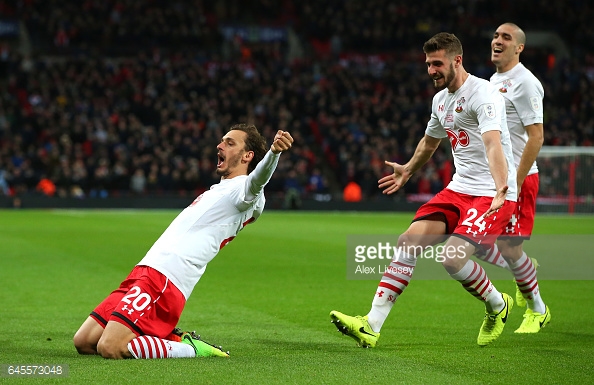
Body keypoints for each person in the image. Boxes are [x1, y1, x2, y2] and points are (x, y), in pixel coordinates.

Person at [330, 32, 518, 347]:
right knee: (408, 241)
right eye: (428, 64)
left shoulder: (483, 94)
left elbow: (493, 144)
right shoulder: (440, 100)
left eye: (437, 63)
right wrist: (408, 169)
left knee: (451, 258)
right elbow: (430, 142)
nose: (431, 70)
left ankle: (498, 305)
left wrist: (501, 186)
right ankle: (371, 325)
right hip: (459, 190)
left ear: (457, 60)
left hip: (493, 194)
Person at [73, 124, 294, 359]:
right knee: (84, 341)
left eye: (230, 143)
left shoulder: (244, 194)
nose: (220, 146)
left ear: (248, 156)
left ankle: (189, 347)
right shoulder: (218, 190)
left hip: (166, 279)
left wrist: (274, 153)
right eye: (222, 141)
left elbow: (257, 182)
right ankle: (162, 335)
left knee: (110, 346)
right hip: (143, 271)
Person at [473, 22, 550, 333]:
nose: (497, 40)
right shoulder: (494, 80)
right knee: (478, 242)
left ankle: (538, 309)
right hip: (498, 181)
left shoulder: (526, 83)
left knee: (505, 247)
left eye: (506, 37)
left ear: (519, 47)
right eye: (495, 35)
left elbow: (537, 137)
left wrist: (514, 182)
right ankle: (525, 273)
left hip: (520, 180)